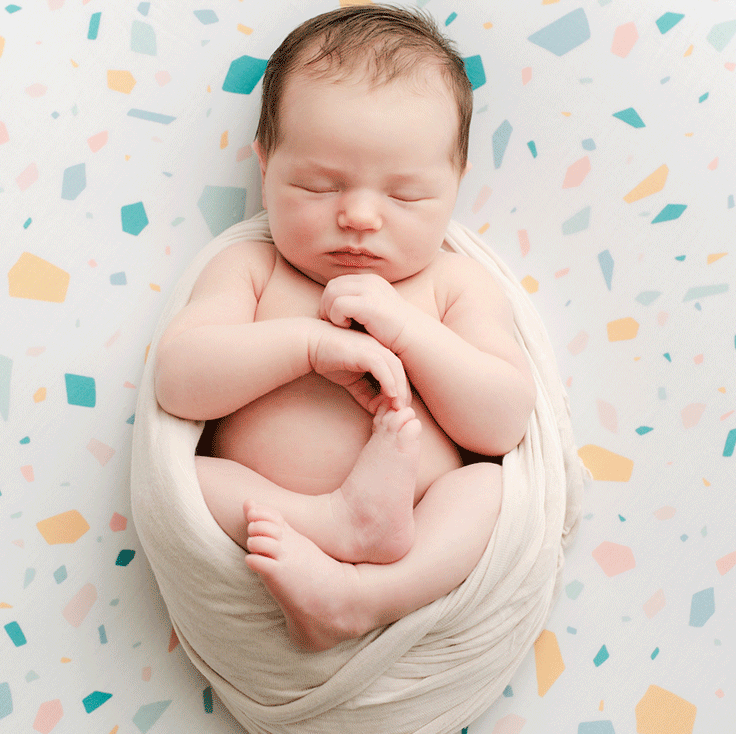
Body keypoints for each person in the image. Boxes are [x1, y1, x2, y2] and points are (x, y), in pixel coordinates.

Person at [154, 5, 534, 652]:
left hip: (416, 532)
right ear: (265, 166)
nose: (359, 215)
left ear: (456, 183)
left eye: (406, 196)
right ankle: (334, 524)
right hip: (281, 531)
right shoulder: (252, 268)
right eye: (318, 185)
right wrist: (307, 345)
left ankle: (364, 600)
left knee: (489, 491)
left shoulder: (453, 285)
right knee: (196, 483)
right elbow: (179, 381)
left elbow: (503, 423)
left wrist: (408, 332)